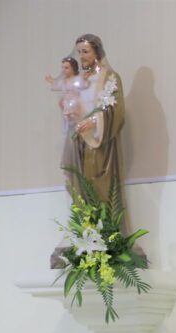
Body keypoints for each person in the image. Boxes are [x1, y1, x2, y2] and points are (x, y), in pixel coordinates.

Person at [68, 33, 124, 205]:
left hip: (101, 142)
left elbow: (117, 109)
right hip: (82, 142)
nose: (81, 56)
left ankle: (104, 221)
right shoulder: (81, 80)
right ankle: (88, 221)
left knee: (102, 190)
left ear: (97, 52)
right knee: (84, 188)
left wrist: (94, 121)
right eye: (79, 52)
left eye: (85, 51)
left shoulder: (110, 77)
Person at [45, 57, 86, 134]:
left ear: (73, 68)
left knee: (77, 127)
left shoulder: (78, 79)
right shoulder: (63, 81)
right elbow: (57, 85)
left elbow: (85, 89)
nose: (64, 70)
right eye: (63, 68)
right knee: (67, 129)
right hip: (66, 107)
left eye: (66, 68)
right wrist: (51, 80)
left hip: (76, 107)